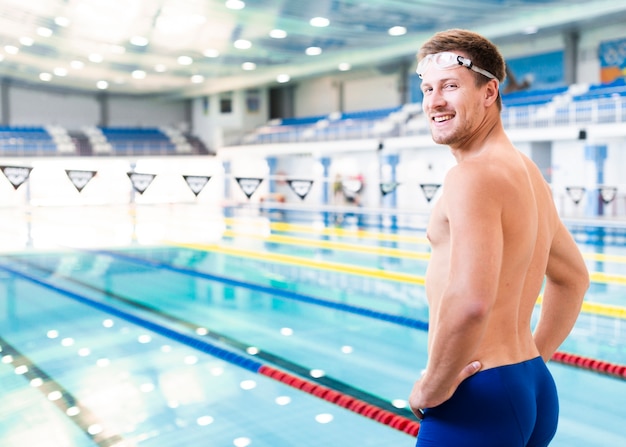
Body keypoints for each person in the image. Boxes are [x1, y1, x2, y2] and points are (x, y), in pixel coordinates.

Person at [408, 29, 590, 447]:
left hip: (478, 398)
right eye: (427, 88)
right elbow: (574, 278)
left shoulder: (471, 176)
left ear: (489, 92)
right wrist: (534, 359)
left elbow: (471, 301)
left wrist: (431, 387)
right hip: (530, 386)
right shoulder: (527, 175)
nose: (434, 101)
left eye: (450, 87)